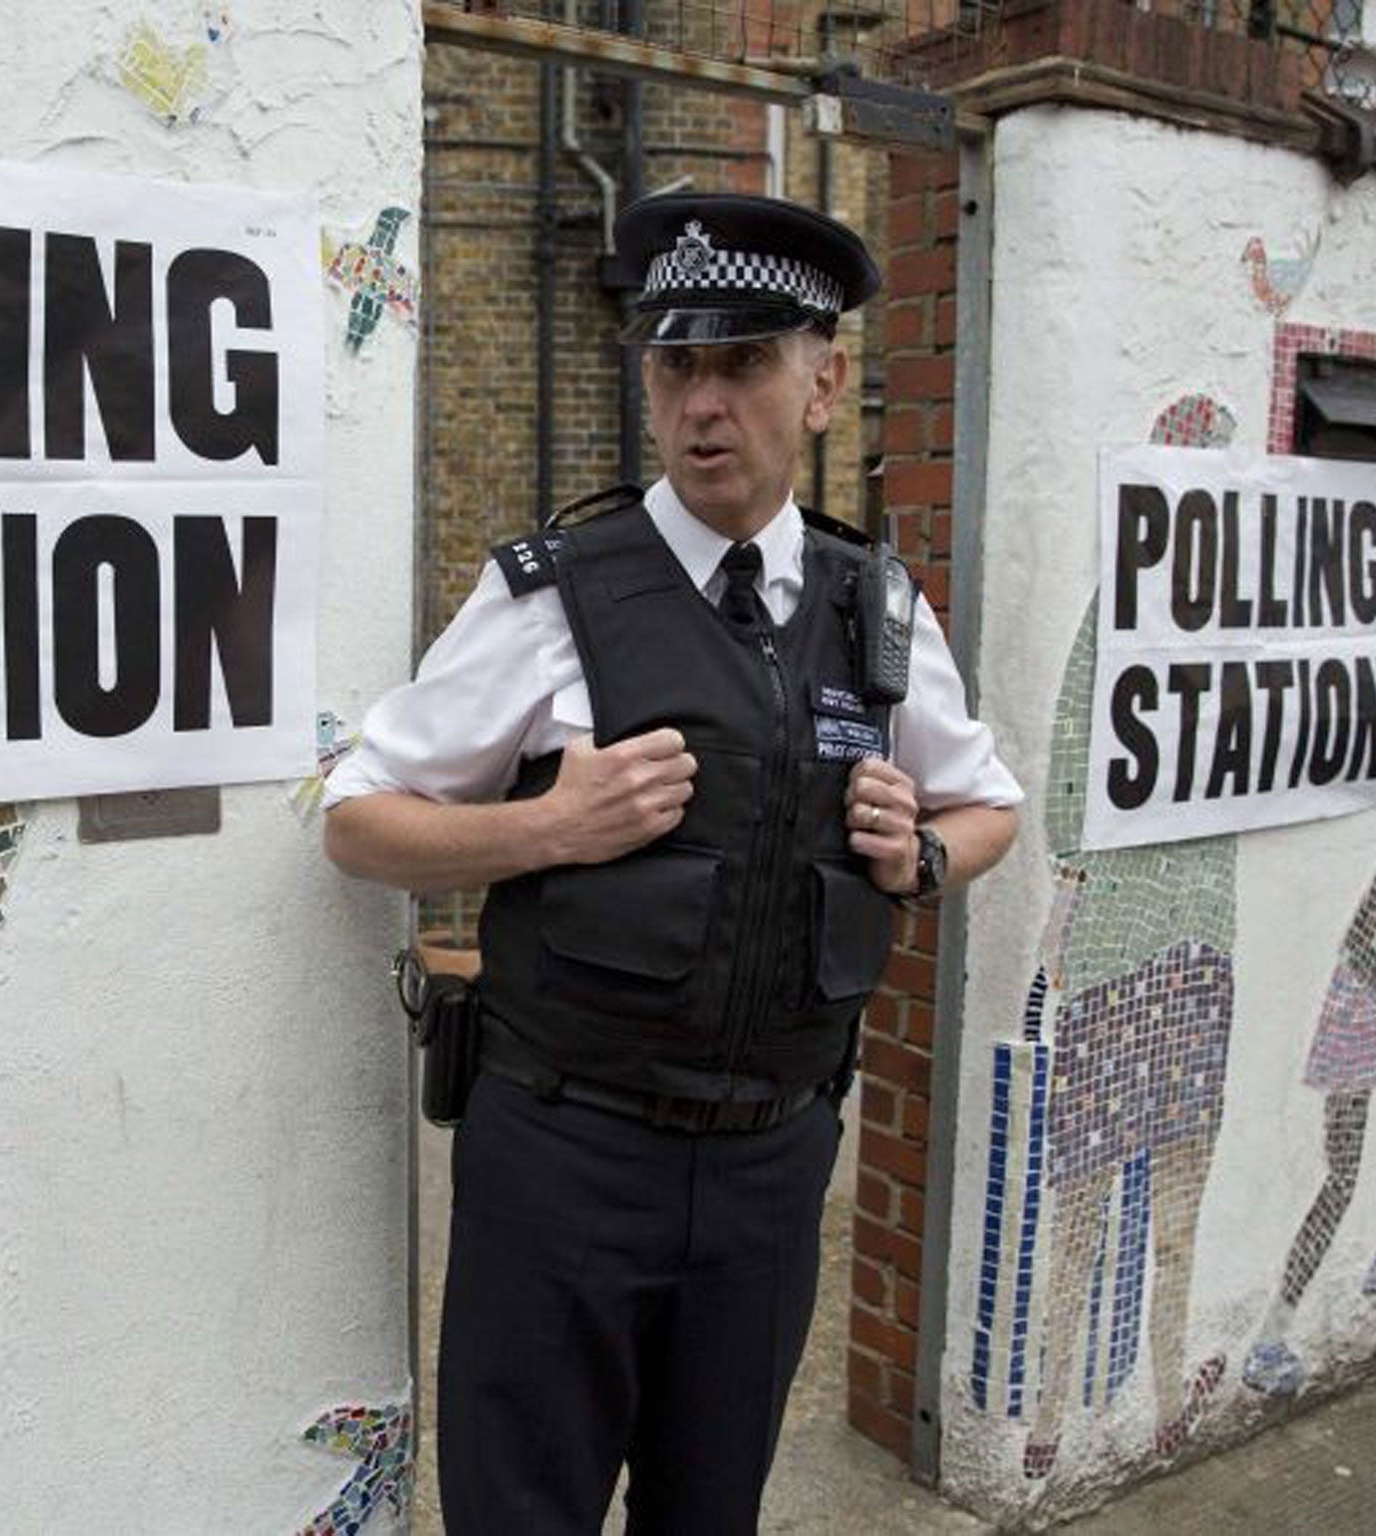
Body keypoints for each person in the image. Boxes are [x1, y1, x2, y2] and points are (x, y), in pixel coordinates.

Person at [322, 191, 1022, 1533]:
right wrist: (544, 828)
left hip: (772, 1167)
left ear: (822, 384)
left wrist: (922, 852)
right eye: (676, 363)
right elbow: (359, 817)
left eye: (744, 363)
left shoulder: (875, 608)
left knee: (711, 1514)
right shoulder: (552, 594)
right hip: (566, 1154)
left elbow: (989, 804)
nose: (706, 403)